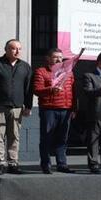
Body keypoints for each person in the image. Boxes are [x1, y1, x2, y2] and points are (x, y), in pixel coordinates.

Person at [0, 39, 34, 175]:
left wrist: (28, 106)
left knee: (14, 136)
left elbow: (28, 88)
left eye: (19, 49)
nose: (17, 51)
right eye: (14, 48)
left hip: (16, 107)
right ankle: (0, 163)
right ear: (6, 50)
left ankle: (13, 163)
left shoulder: (25, 67)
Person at [32, 47, 74, 175]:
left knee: (62, 138)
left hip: (66, 109)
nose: (59, 59)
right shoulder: (41, 71)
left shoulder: (68, 72)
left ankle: (62, 164)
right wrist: (51, 89)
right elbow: (37, 90)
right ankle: (46, 164)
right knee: (47, 137)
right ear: (48, 58)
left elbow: (73, 92)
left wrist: (74, 108)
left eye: (61, 57)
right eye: (56, 57)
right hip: (49, 109)